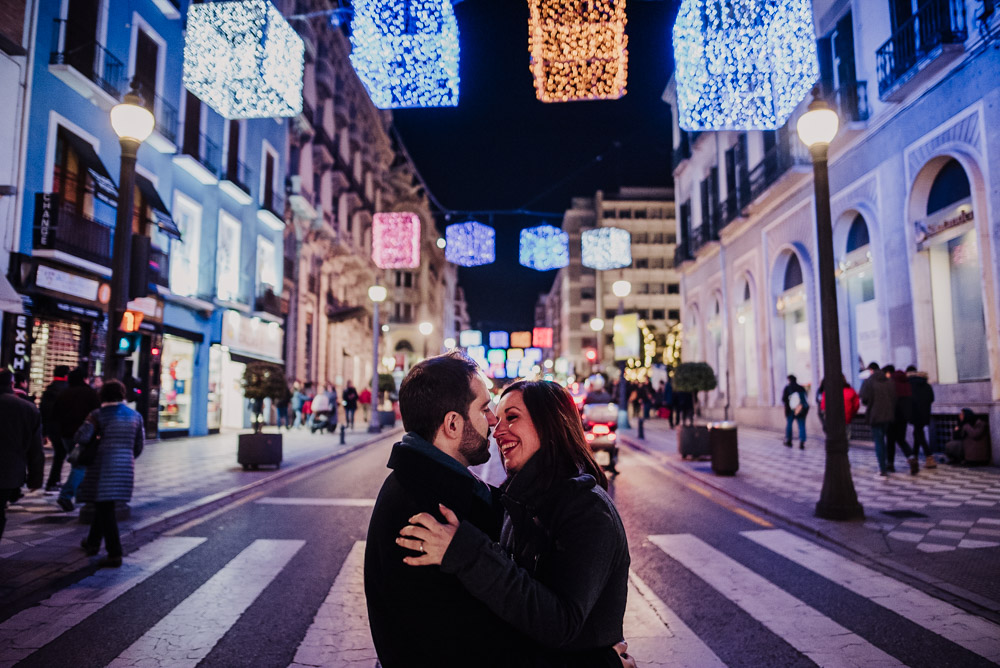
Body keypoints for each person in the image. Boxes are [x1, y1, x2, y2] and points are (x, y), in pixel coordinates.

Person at [399, 380, 632, 667]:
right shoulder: (521, 499)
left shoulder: (587, 510)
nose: (496, 431)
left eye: (512, 417)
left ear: (550, 424)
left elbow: (561, 623)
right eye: (496, 419)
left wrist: (466, 553)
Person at [364, 351, 522, 667]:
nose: (493, 420)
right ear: (452, 423)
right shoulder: (426, 512)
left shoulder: (430, 483)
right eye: (484, 408)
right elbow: (469, 643)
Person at [76, 379, 145, 568]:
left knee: (105, 508)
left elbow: (81, 437)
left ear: (102, 395)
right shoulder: (135, 416)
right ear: (122, 395)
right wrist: (125, 458)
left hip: (102, 466)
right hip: (125, 468)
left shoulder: (98, 415)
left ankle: (115, 553)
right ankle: (92, 542)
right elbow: (139, 446)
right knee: (104, 505)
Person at [0, 369, 44, 542]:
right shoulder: (27, 409)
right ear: (12, 384)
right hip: (9, 472)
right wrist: (35, 478)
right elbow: (35, 449)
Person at [54, 367, 101, 511]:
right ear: (84, 379)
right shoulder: (90, 394)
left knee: (78, 464)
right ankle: (66, 496)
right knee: (80, 466)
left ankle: (80, 495)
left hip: (65, 435)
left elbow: (55, 415)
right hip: (83, 437)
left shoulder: (64, 393)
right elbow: (97, 414)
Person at [859, 362, 907, 478]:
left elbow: (864, 398)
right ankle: (887, 464)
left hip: (875, 416)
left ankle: (883, 468)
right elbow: (894, 398)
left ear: (871, 370)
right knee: (884, 440)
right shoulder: (889, 382)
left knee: (879, 441)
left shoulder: (869, 381)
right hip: (888, 415)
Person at [40, 365, 71, 491]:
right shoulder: (68, 390)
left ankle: (54, 481)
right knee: (62, 454)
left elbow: (44, 411)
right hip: (64, 427)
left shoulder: (49, 389)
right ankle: (53, 482)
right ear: (66, 375)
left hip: (52, 427)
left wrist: (44, 432)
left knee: (60, 454)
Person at [886, 365, 918, 474]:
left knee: (890, 440)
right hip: (904, 417)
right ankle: (911, 457)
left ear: (889, 373)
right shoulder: (906, 383)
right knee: (901, 439)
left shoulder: (891, 383)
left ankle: (890, 464)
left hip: (893, 415)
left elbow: (890, 400)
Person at [907, 365, 936, 468]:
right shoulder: (926, 384)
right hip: (925, 413)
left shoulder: (910, 384)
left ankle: (929, 457)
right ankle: (915, 457)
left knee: (919, 434)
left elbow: (909, 399)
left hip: (915, 413)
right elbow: (932, 398)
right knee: (917, 433)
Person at [819, 374, 860, 439]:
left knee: (834, 438)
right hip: (847, 418)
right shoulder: (850, 391)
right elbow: (856, 405)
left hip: (833, 419)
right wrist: (851, 413)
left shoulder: (828, 391)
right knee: (846, 437)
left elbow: (823, 406)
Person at [781, 375, 809, 449]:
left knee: (789, 425)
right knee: (801, 425)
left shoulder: (788, 388)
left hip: (790, 411)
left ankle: (789, 440)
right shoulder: (801, 388)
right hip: (800, 409)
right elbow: (806, 398)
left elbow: (783, 399)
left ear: (789, 380)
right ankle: (802, 442)